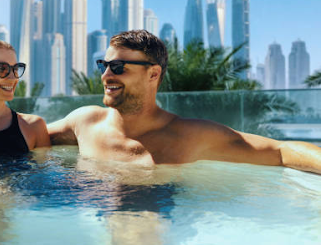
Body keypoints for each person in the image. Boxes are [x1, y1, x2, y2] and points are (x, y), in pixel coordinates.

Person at [47, 30, 321, 174]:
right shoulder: (84, 122)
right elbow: (24, 133)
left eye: (118, 66)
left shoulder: (190, 136)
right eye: (103, 65)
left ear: (153, 74)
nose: (106, 75)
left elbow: (282, 150)